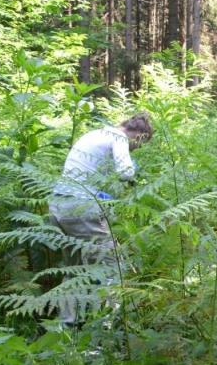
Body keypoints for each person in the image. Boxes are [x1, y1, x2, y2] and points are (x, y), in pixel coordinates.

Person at [49, 113, 153, 325]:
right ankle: (106, 330)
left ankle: (67, 329)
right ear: (139, 136)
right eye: (141, 144)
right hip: (81, 207)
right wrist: (134, 176)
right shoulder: (119, 138)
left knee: (74, 270)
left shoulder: (96, 134)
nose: (139, 149)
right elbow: (125, 172)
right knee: (112, 267)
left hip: (58, 205)